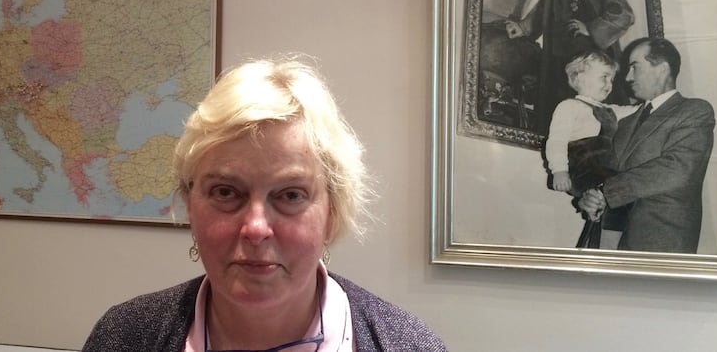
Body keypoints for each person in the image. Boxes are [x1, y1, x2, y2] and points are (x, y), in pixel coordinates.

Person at [81, 58, 447, 351]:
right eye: (226, 192)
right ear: (190, 206)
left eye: (290, 195)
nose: (256, 228)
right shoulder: (124, 336)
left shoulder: (408, 345)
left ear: (332, 214)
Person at [577, 38, 715, 253]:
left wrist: (607, 191)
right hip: (608, 243)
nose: (628, 77)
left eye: (634, 67)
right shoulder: (625, 121)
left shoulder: (694, 111)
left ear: (662, 69)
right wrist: (590, 195)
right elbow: (604, 171)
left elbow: (677, 169)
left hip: (660, 244)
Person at [505, 0, 635, 133]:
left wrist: (591, 29)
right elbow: (545, 6)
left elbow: (623, 12)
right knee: (557, 107)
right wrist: (524, 28)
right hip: (556, 54)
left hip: (584, 53)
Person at [544, 50, 637, 247]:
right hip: (583, 166)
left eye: (611, 79)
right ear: (580, 77)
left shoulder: (610, 110)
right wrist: (559, 170)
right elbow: (557, 140)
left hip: (605, 169)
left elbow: (632, 112)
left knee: (621, 199)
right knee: (610, 196)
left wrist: (647, 106)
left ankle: (606, 237)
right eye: (604, 77)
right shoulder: (569, 106)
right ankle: (599, 224)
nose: (609, 85)